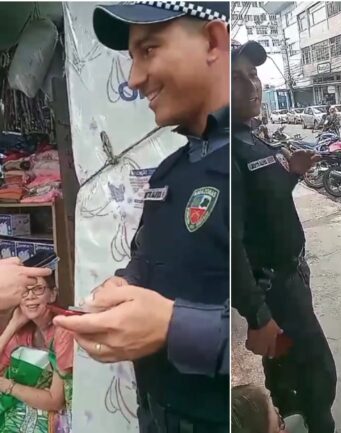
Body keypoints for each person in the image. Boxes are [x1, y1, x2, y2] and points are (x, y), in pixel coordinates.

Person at [53, 3, 230, 432]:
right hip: (155, 410)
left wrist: (172, 326)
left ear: (212, 41)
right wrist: (123, 284)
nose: (133, 79)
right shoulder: (170, 170)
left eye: (148, 50)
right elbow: (143, 254)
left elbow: (257, 324)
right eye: (132, 59)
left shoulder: (240, 165)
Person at [231, 40, 336, 433]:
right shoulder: (226, 152)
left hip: (291, 279)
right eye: (236, 78)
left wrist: (291, 173)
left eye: (253, 75)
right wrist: (258, 315)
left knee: (291, 372)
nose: (251, 85)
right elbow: (229, 242)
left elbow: (264, 205)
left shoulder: (250, 138)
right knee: (317, 375)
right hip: (274, 290)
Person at [0, 272, 73, 433]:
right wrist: (12, 325)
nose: (30, 296)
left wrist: (8, 386)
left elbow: (56, 401)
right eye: (24, 291)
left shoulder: (63, 330)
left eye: (38, 289)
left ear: (53, 294)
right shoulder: (24, 332)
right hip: (26, 414)